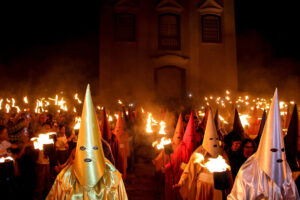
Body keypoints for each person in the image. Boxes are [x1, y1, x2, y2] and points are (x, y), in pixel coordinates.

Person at [46, 85, 128, 199]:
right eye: (84, 148)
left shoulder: (112, 177)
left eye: (94, 148)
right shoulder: (66, 178)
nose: (88, 154)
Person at [228, 89, 300, 199]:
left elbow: (292, 196)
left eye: (281, 150)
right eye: (274, 151)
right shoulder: (247, 171)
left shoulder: (285, 171)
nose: (278, 155)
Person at [175, 108, 233, 199]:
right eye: (211, 139)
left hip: (217, 188)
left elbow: (228, 172)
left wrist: (229, 187)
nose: (214, 142)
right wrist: (181, 183)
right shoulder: (198, 153)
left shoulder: (222, 153)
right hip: (202, 187)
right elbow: (189, 170)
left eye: (216, 139)